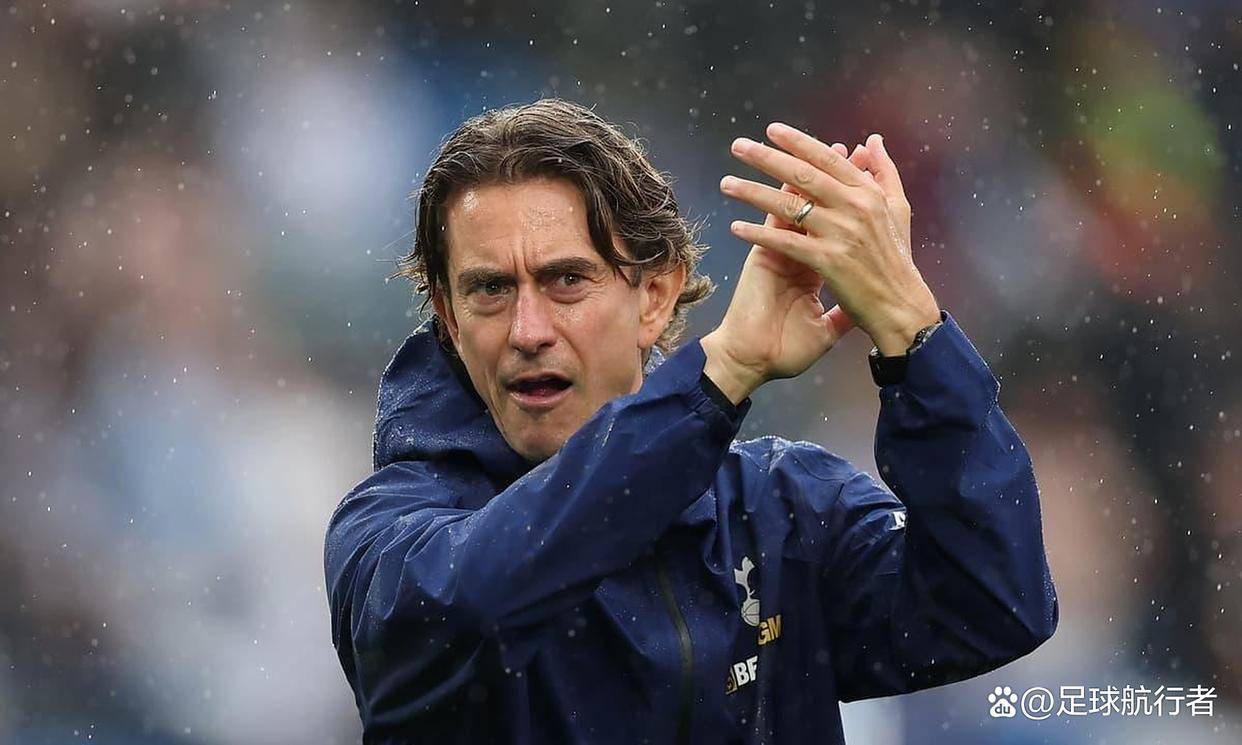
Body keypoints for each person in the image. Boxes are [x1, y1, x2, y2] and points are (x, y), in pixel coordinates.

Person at [323, 98, 1058, 744]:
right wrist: (721, 372)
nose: (527, 330)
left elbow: (994, 605)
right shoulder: (390, 532)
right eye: (489, 290)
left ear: (655, 295)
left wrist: (912, 329)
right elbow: (475, 607)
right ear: (449, 319)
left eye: (567, 280)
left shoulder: (781, 511)